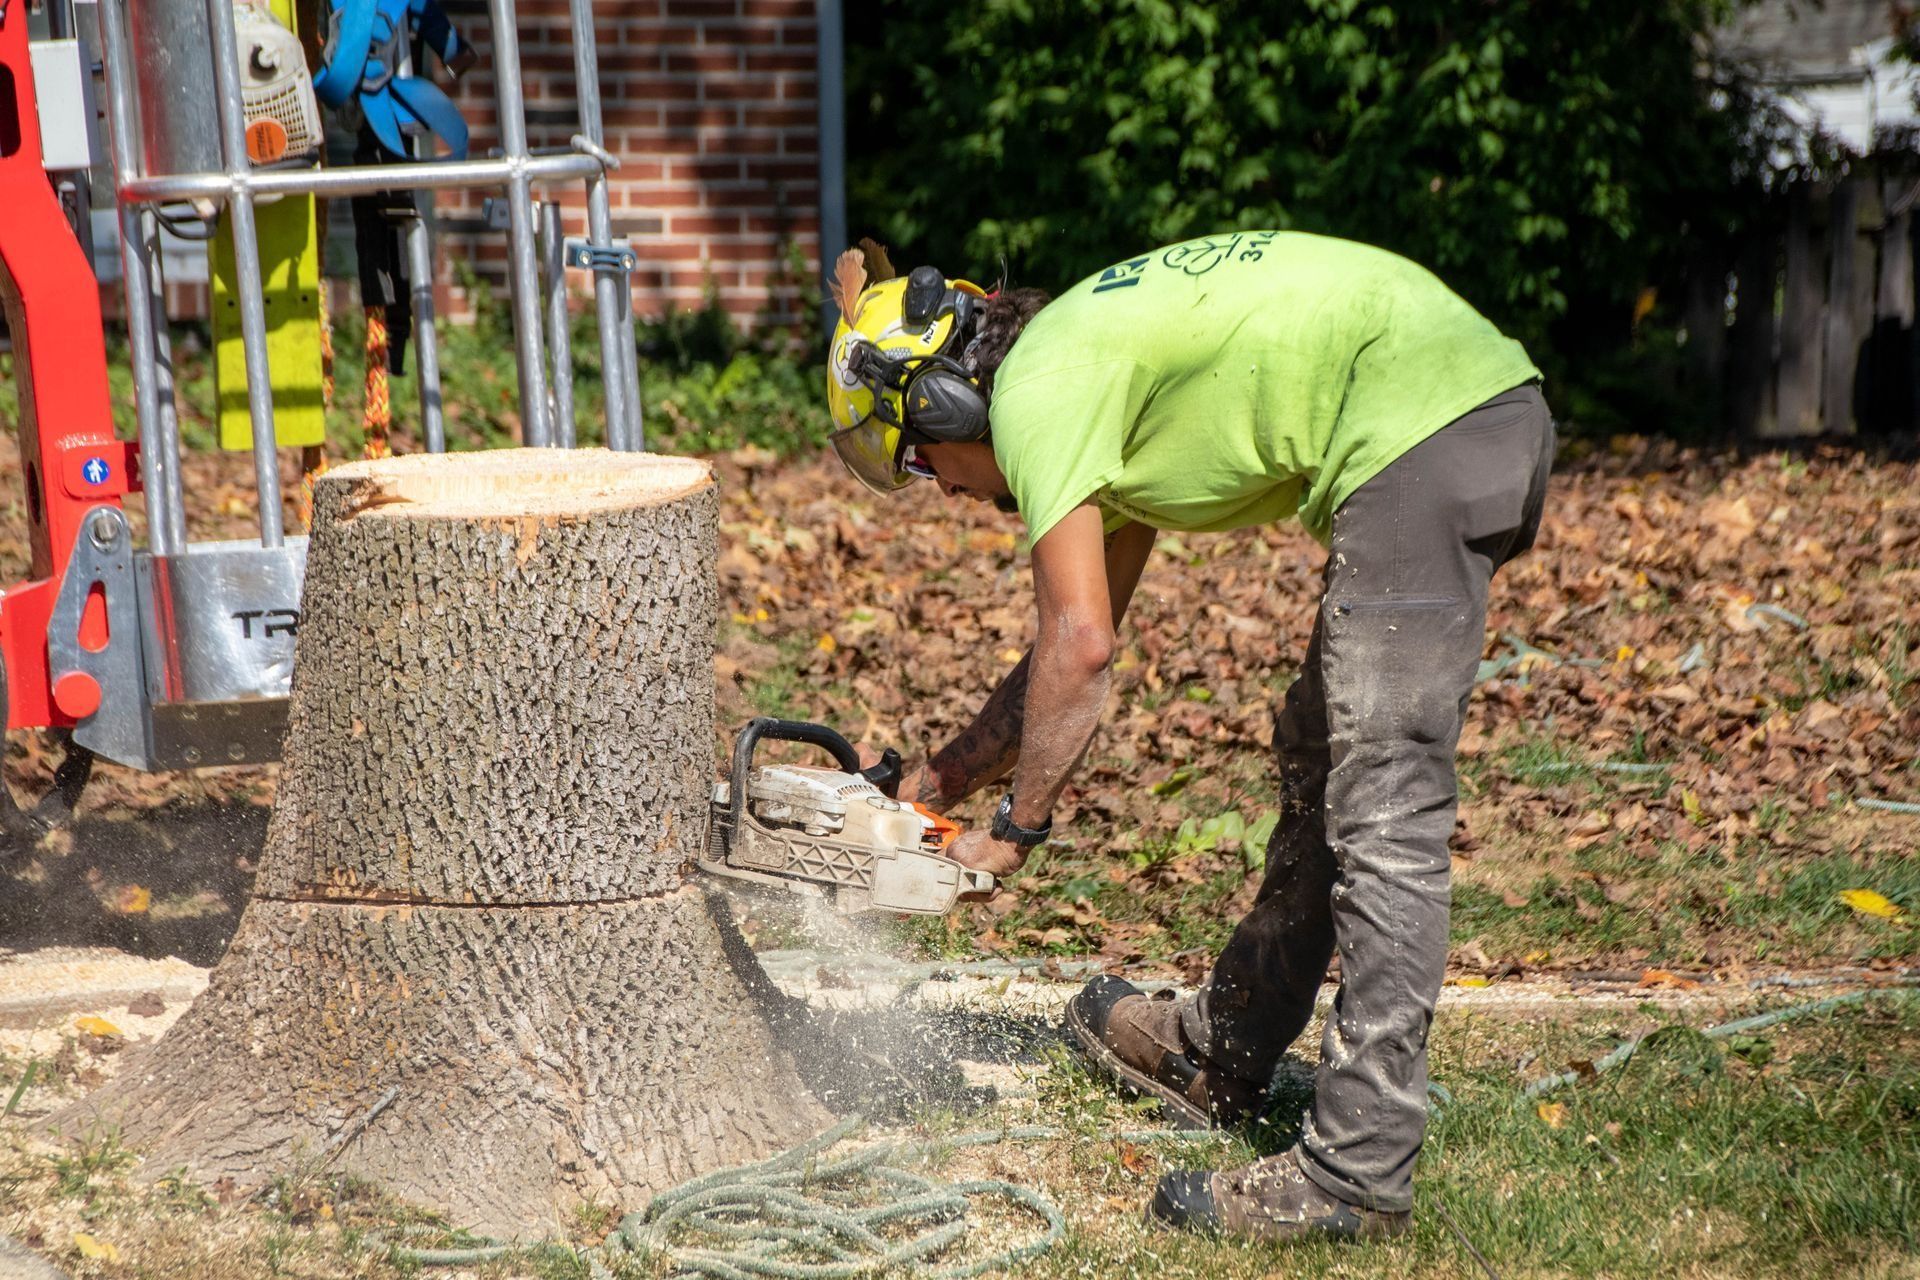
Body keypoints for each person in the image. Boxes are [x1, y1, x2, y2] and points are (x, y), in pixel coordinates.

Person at [823, 230, 1554, 1242]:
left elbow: (1079, 650)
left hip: (1434, 420)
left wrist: (1017, 829)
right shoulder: (1080, 378)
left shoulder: (1042, 395)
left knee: (1382, 799)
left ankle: (1358, 1172)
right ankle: (1225, 1049)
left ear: (944, 402)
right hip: (1450, 410)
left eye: (919, 456)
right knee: (1324, 751)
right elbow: (1067, 650)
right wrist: (932, 786)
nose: (943, 486)